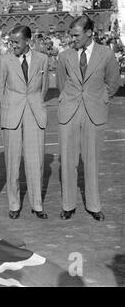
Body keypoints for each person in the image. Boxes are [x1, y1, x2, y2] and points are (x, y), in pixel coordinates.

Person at [56, 15, 121, 221]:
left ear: (89, 33)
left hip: (95, 112)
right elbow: (61, 83)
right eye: (71, 34)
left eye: (76, 35)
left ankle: (93, 206)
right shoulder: (65, 56)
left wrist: (101, 98)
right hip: (69, 113)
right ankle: (68, 205)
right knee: (68, 161)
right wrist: (69, 100)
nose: (72, 38)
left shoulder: (106, 54)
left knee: (91, 161)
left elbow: (113, 82)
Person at [0, 25, 50, 220]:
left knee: (36, 162)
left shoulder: (42, 59)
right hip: (12, 115)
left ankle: (37, 204)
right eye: (11, 42)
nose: (13, 45)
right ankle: (14, 204)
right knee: (12, 162)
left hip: (35, 114)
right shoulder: (4, 60)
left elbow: (43, 90)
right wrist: (7, 109)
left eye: (16, 42)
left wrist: (34, 104)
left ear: (28, 41)